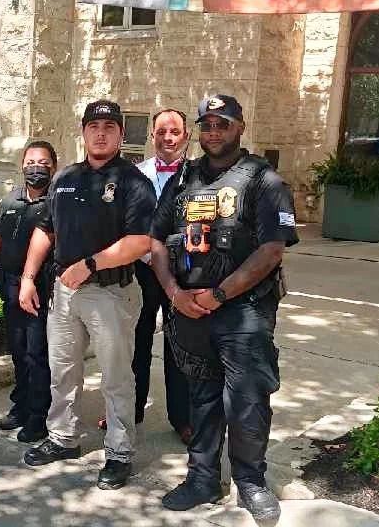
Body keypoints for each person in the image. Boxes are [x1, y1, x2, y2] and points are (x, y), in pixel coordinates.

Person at [150, 94, 297, 520]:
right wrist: (174, 293)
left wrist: (219, 295)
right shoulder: (183, 180)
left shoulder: (262, 180)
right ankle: (202, 478)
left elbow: (271, 250)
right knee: (203, 395)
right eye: (208, 125)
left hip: (243, 311)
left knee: (247, 399)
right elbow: (156, 239)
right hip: (190, 307)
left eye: (223, 124)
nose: (214, 132)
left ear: (240, 126)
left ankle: (250, 480)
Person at [18, 100, 157, 491]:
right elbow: (46, 230)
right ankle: (63, 437)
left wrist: (90, 265)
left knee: (115, 377)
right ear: (83, 131)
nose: (101, 133)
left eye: (110, 127)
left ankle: (119, 452)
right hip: (64, 293)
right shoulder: (65, 178)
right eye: (94, 126)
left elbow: (140, 241)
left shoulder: (133, 182)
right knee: (63, 371)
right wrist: (29, 277)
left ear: (120, 134)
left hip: (110, 292)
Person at [97, 109, 194, 443]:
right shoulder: (134, 174)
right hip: (139, 270)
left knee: (178, 345)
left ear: (185, 136)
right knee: (133, 342)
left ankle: (182, 417)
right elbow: (122, 222)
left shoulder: (197, 177)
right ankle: (130, 409)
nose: (167, 138)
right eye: (161, 131)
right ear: (152, 135)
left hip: (181, 273)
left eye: (174, 132)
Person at [0, 141, 58, 443]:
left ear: (53, 166)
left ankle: (39, 415)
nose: (36, 167)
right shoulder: (10, 200)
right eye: (30, 161)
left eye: (43, 162)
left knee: (37, 353)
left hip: (40, 288)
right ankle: (21, 404)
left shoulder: (56, 203)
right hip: (9, 284)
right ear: (22, 165)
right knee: (18, 350)